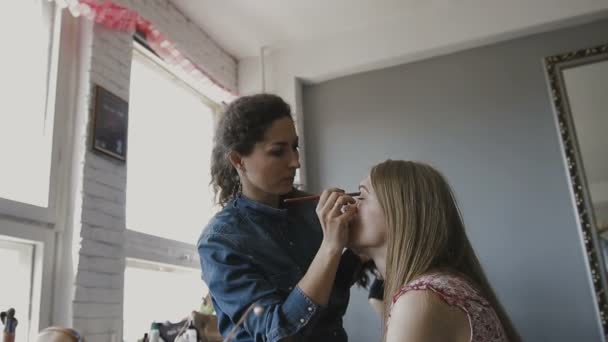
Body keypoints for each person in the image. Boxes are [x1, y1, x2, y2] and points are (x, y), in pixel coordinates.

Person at [197, 94, 363, 342]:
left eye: (295, 147)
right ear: (238, 160)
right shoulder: (219, 242)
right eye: (278, 152)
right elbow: (276, 332)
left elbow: (331, 290)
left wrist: (359, 251)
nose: (295, 162)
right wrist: (330, 247)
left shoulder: (312, 210)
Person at [326, 160, 521, 342]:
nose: (348, 204)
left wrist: (329, 246)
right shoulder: (440, 288)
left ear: (400, 215)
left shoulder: (420, 300)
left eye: (362, 196)